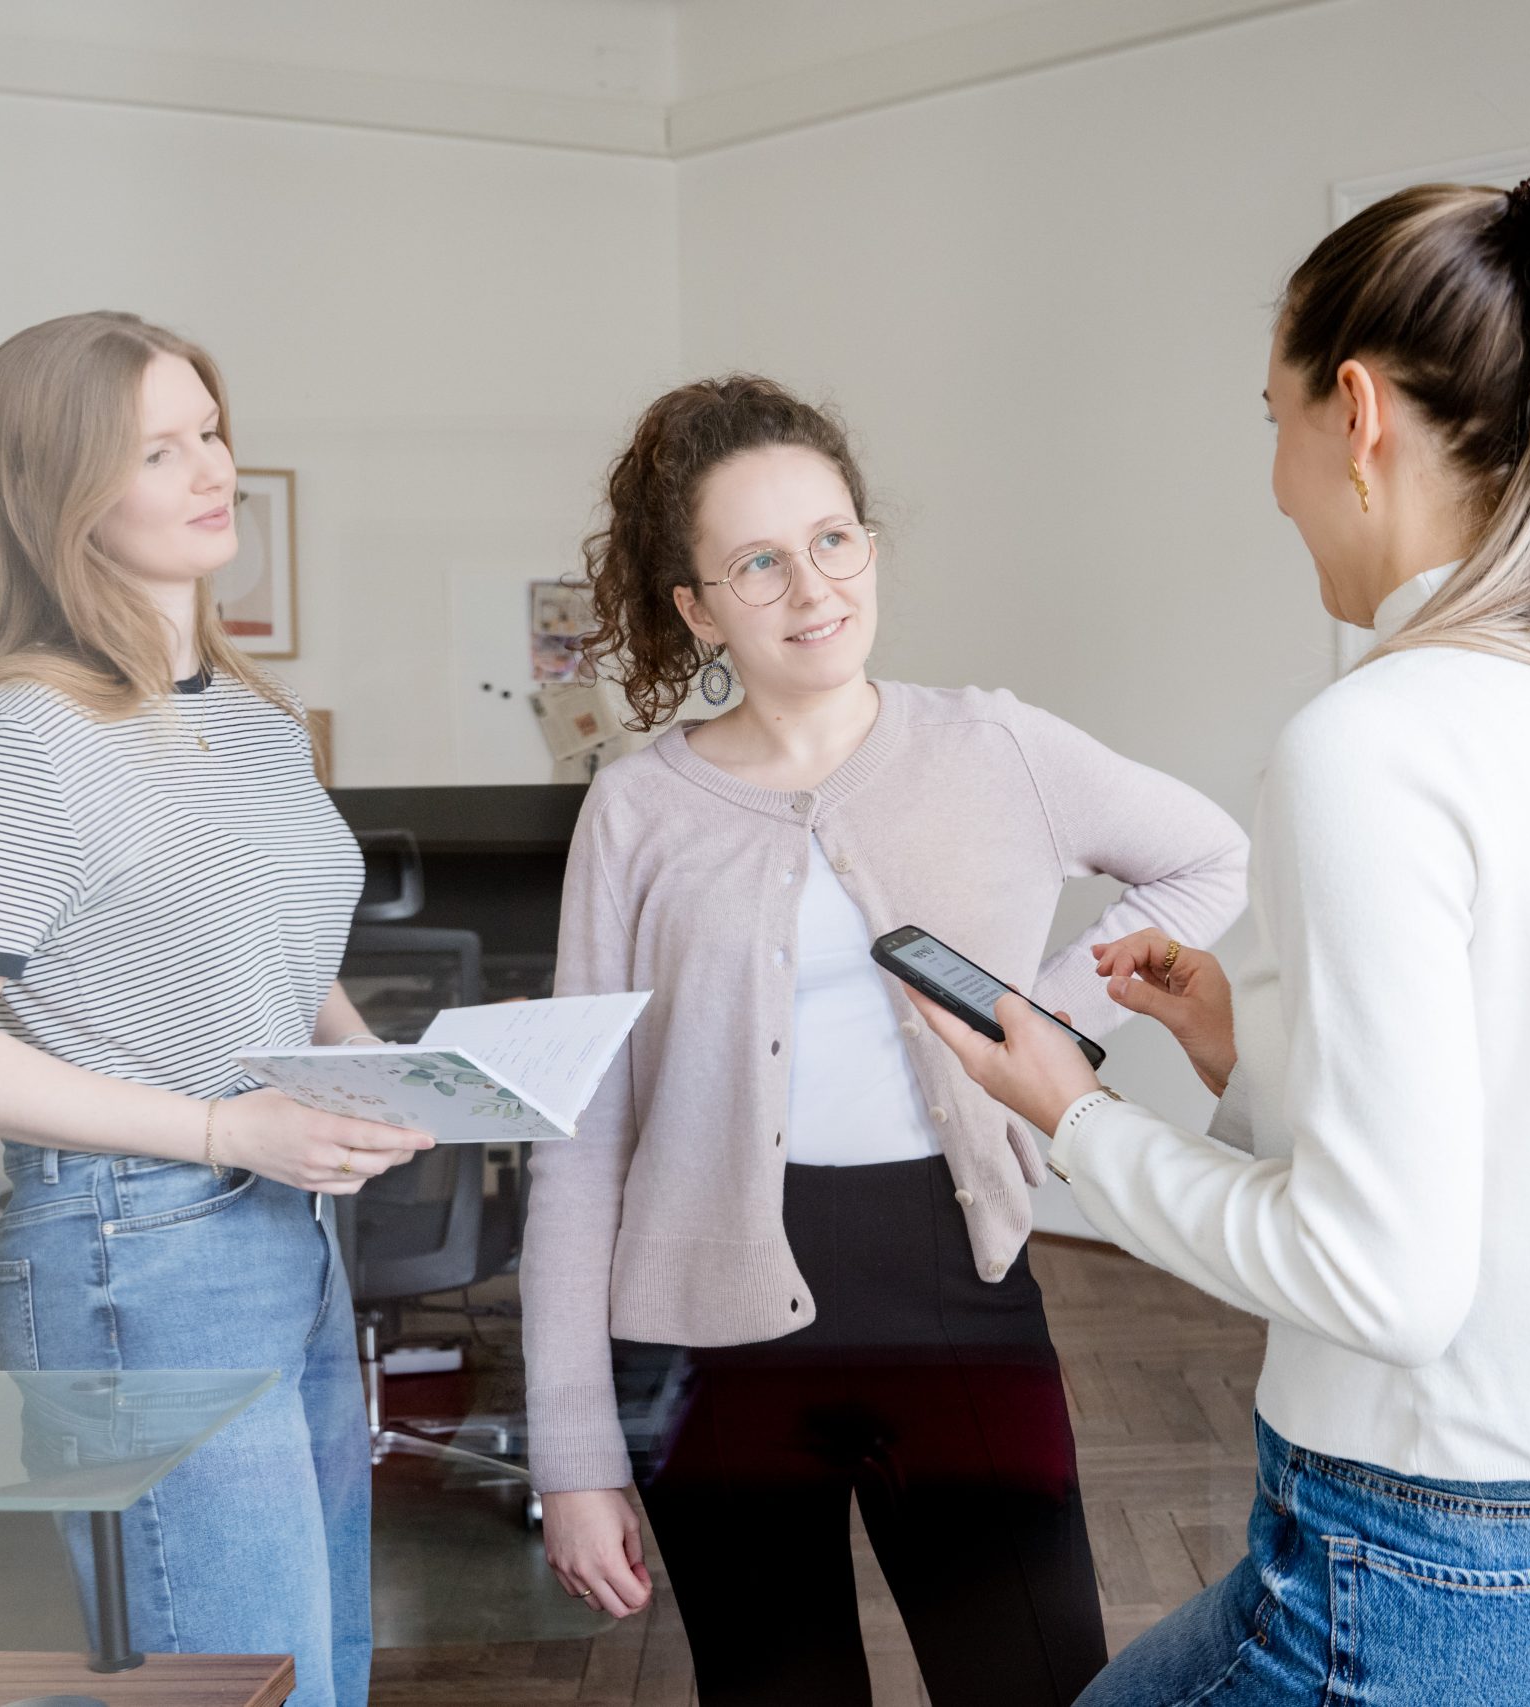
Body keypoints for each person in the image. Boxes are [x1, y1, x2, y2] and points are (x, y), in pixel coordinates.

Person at [911, 164, 1530, 1707]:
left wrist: (1072, 1113)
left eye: (1273, 421)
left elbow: (1385, 1285)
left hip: (1449, 1585)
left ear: (1356, 416)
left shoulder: (1372, 741)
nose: (1277, 479)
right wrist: (1248, 1049)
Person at [522, 374, 1252, 1707]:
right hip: (701, 1346)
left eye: (834, 539)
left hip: (957, 1296)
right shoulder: (634, 812)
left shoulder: (996, 746)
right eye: (757, 563)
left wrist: (1032, 1024)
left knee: (1036, 1684)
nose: (814, 589)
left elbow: (1207, 860)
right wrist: (574, 1454)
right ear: (694, 606)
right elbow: (582, 1142)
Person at [0, 311, 432, 1706]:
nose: (209, 468)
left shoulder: (248, 716)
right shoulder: (23, 738)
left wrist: (384, 1067)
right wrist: (228, 1127)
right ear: (61, 497)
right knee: (242, 1680)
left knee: (318, 1670)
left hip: (278, 1231)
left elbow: (272, 953)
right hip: (130, 1250)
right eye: (156, 450)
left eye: (210, 430)